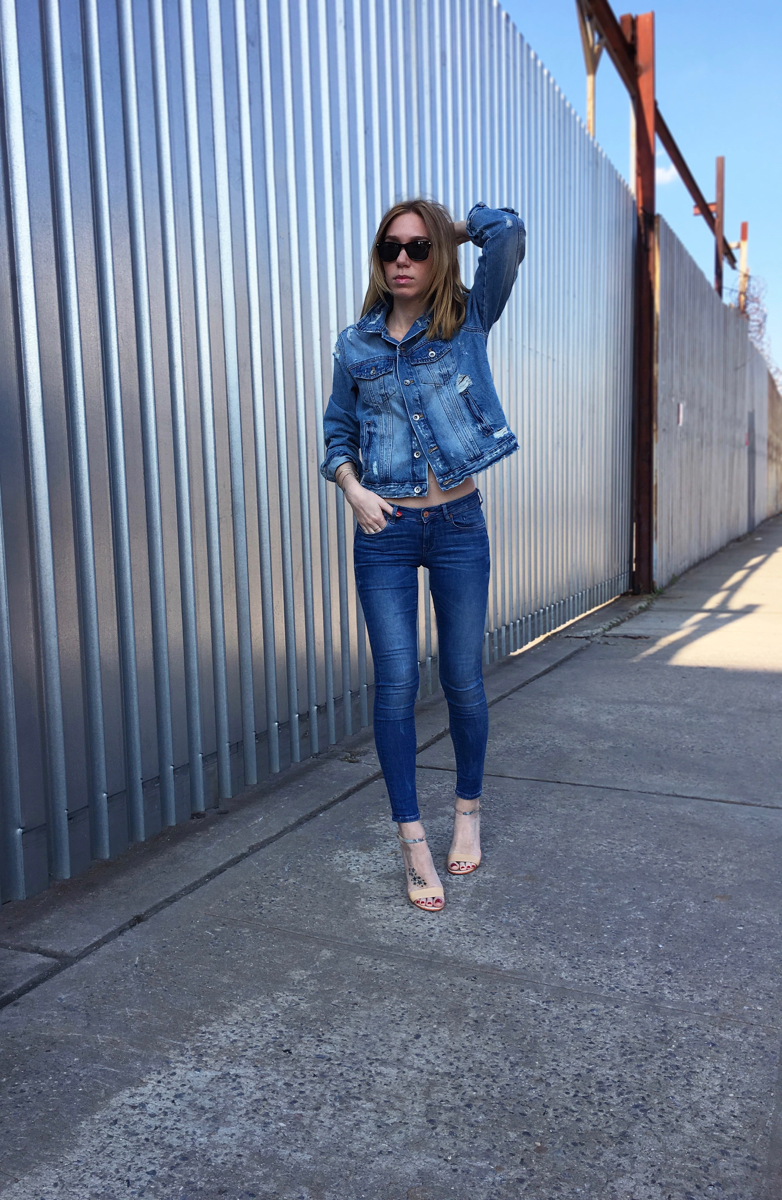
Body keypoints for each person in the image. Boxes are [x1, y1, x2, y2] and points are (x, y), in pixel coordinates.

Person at [321, 198, 525, 912]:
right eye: (390, 249)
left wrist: (456, 227)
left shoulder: (466, 319)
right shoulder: (357, 344)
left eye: (417, 247)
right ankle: (412, 841)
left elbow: (509, 234)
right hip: (384, 530)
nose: (403, 260)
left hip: (459, 525)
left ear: (437, 255)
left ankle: (467, 811)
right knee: (397, 683)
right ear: (378, 261)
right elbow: (336, 433)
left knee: (464, 678)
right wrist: (352, 491)